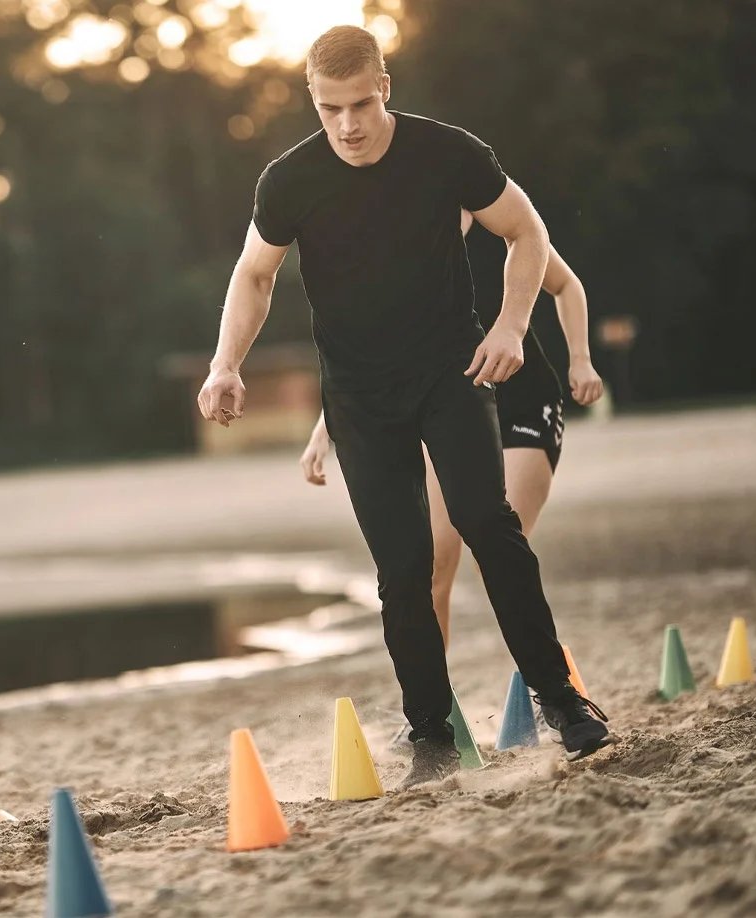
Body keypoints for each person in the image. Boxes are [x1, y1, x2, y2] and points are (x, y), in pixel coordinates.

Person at [197, 26, 611, 787]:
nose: (348, 125)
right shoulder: (289, 180)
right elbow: (254, 276)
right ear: (311, 100)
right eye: (330, 109)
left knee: (490, 525)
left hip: (448, 376)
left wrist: (516, 326)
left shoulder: (448, 152)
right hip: (359, 399)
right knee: (403, 569)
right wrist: (227, 364)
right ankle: (431, 734)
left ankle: (564, 701)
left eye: (360, 103)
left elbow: (525, 231)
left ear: (384, 85)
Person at [300, 213, 605, 651]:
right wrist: (324, 427)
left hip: (522, 401)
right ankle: (437, 706)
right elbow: (367, 355)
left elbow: (566, 285)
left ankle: (551, 684)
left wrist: (581, 358)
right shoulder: (397, 252)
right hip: (449, 409)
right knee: (433, 566)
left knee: (497, 549)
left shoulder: (499, 223)